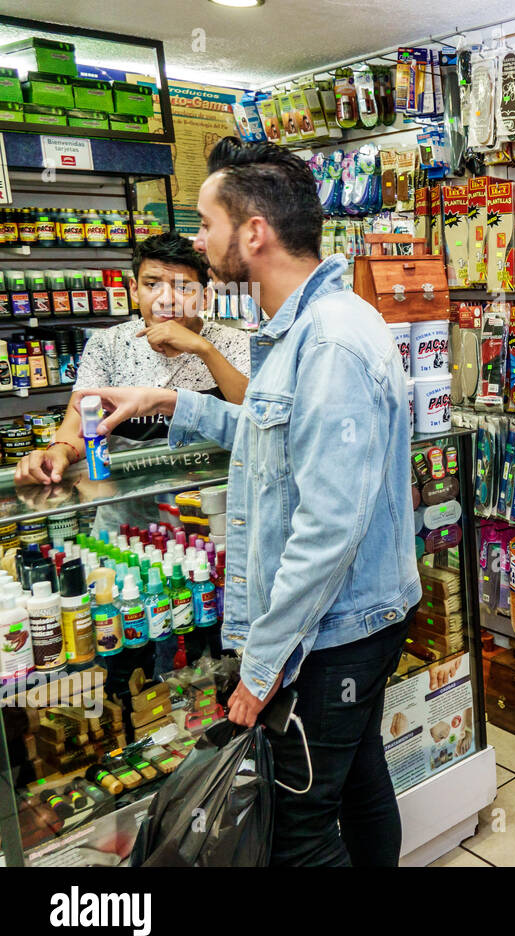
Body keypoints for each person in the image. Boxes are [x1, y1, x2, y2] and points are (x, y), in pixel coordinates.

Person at [74, 137, 420, 867]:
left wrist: (262, 666)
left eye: (206, 224)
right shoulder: (306, 329)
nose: (199, 241)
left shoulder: (326, 341)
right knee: (356, 784)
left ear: (253, 233)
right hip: (350, 624)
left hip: (334, 635)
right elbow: (276, 436)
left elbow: (329, 528)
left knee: (298, 830)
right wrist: (170, 399)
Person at [14, 232, 250, 488]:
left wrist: (205, 349)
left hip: (214, 496)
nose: (166, 299)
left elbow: (256, 416)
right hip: (127, 501)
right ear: (134, 290)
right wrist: (58, 452)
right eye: (152, 285)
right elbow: (79, 425)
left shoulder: (234, 342)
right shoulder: (108, 344)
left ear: (205, 297)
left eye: (183, 287)